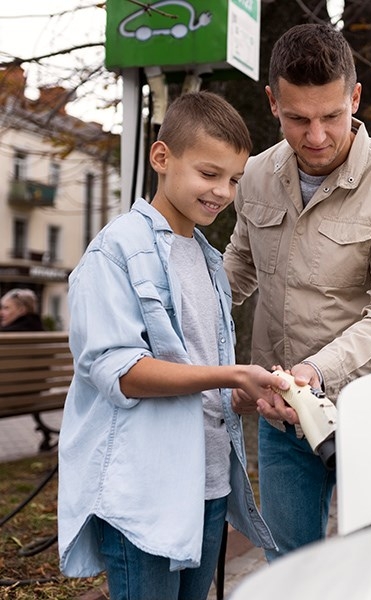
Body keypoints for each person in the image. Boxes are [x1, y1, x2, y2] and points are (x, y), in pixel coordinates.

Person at [58, 91, 289, 600]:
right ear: (161, 157)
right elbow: (121, 373)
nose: (223, 192)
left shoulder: (209, 261)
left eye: (234, 179)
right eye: (209, 174)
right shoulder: (115, 251)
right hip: (146, 492)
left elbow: (200, 371)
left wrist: (240, 394)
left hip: (210, 484)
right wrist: (230, 374)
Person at [223, 23, 371, 561]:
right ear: (273, 103)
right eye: (298, 119)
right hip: (284, 417)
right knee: (289, 572)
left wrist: (316, 372)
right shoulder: (253, 176)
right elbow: (238, 270)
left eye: (331, 116)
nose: (316, 136)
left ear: (355, 98)